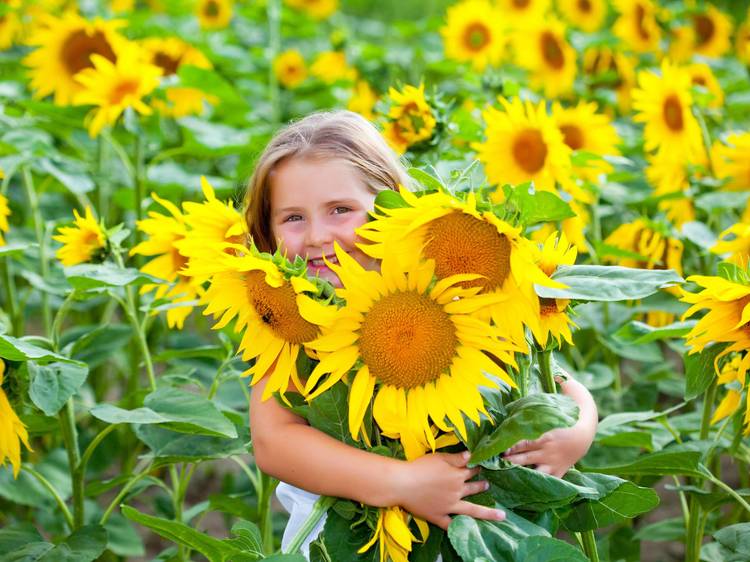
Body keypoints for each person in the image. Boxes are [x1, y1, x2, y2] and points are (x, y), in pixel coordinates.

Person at [244, 110, 599, 556]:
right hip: (341, 538)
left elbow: (554, 381)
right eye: (293, 218)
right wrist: (402, 482)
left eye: (341, 210)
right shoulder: (290, 323)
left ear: (390, 206)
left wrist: (576, 430)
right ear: (268, 230)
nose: (317, 236)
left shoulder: (449, 291)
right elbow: (275, 442)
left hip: (472, 529)